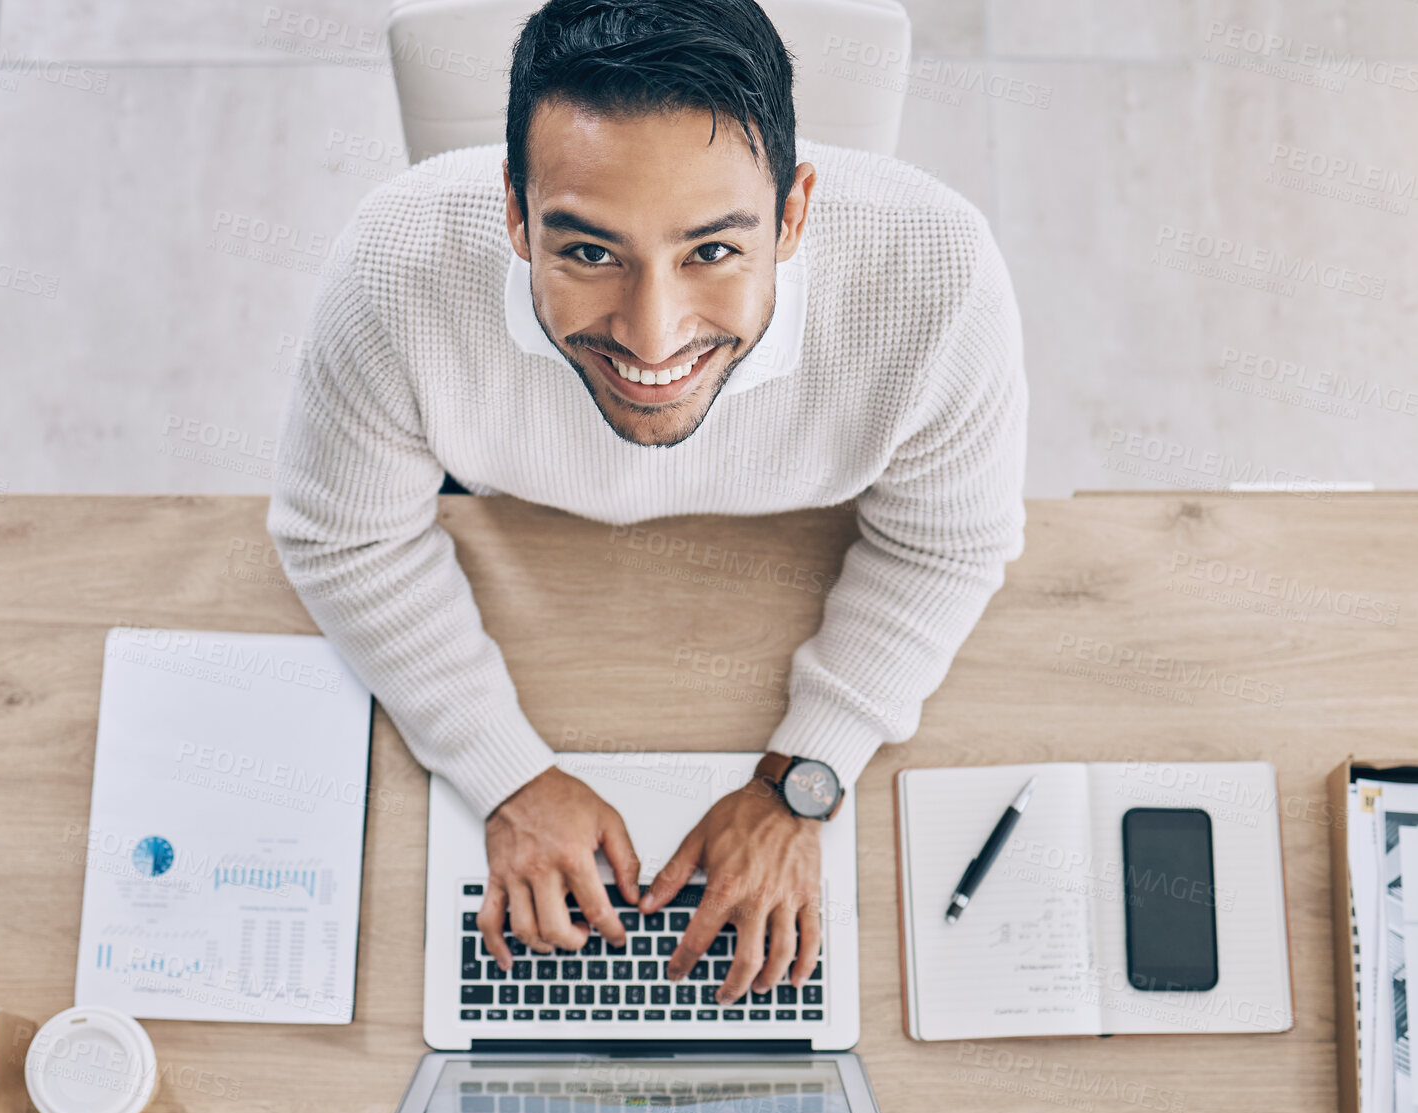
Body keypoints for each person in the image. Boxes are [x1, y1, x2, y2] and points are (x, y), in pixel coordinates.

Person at [267, 0, 1028, 1008]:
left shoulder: (941, 276)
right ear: (513, 213)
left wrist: (805, 778)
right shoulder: (392, 264)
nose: (652, 338)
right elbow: (343, 535)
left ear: (794, 214)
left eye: (711, 251)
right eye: (587, 252)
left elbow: (947, 545)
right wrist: (502, 772)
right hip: (511, 521)